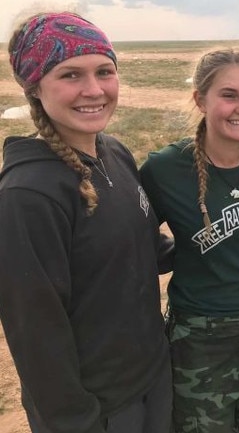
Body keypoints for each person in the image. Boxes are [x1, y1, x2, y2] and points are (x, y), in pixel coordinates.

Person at [0, 11, 172, 433]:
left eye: (104, 71)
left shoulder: (113, 153)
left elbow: (142, 247)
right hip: (99, 408)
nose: (93, 90)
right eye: (71, 74)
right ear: (35, 87)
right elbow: (36, 332)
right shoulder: (28, 195)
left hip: (152, 378)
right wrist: (78, 421)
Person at [139, 48, 239, 433]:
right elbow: (134, 242)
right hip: (199, 339)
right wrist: (179, 254)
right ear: (201, 99)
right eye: (229, 95)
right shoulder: (164, 169)